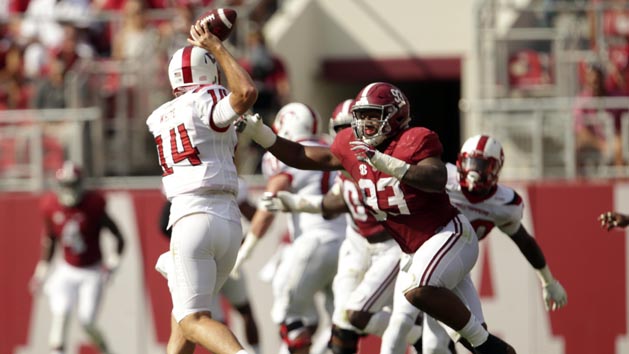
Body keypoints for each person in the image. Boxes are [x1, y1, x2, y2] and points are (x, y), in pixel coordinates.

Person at [237, 82, 516, 354]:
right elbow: (302, 154)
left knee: (418, 291)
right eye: (361, 115)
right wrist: (262, 135)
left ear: (396, 116)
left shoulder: (415, 139)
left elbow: (435, 177)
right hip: (412, 251)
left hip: (448, 235)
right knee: (462, 333)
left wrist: (387, 163)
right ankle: (489, 347)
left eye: (374, 114)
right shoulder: (351, 144)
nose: (366, 122)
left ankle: (487, 345)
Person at [259, 99, 428, 354]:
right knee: (341, 323)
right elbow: (332, 201)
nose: (348, 137)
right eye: (341, 130)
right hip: (353, 246)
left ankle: (418, 333)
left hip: (390, 248)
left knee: (363, 317)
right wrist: (295, 202)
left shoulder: (382, 165)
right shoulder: (340, 165)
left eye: (353, 128)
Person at [145, 16, 257, 354]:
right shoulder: (209, 100)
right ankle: (170, 266)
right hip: (227, 220)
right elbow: (246, 91)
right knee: (185, 320)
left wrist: (210, 50)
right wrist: (217, 47)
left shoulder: (160, 115)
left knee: (192, 318)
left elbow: (239, 95)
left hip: (191, 218)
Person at [230, 102, 346, 354]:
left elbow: (269, 205)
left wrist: (246, 250)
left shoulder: (290, 155)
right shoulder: (331, 148)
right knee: (338, 322)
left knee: (286, 313)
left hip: (314, 243)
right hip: (347, 245)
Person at [29, 161, 126, 354]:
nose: (69, 189)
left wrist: (112, 264)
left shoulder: (93, 204)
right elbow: (50, 241)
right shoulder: (50, 206)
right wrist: (40, 272)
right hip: (66, 269)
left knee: (87, 321)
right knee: (61, 314)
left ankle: (106, 350)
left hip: (92, 270)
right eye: (66, 185)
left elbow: (119, 238)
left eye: (72, 184)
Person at [157, 177, 262, 354]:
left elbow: (162, 224)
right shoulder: (231, 177)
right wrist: (245, 244)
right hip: (228, 243)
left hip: (195, 248)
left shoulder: (178, 172)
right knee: (193, 319)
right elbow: (257, 216)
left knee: (194, 319)